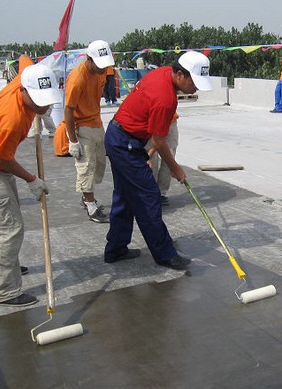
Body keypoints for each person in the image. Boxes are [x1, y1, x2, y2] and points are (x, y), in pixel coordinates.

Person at [0, 62, 62, 307]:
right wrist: (32, 179)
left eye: (47, 100)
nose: (44, 106)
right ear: (24, 91)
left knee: (1, 222)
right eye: (38, 100)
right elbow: (3, 159)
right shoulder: (12, 119)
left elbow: (26, 59)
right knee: (10, 229)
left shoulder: (24, 77)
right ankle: (5, 290)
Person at [104, 51, 212, 270]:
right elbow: (160, 141)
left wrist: (146, 154)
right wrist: (176, 169)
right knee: (148, 196)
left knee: (125, 196)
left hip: (120, 137)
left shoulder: (163, 73)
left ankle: (115, 248)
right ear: (180, 74)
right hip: (125, 143)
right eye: (194, 82)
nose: (197, 88)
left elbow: (154, 135)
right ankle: (165, 254)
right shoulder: (166, 98)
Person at [60, 40, 115, 223]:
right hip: (81, 125)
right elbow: (68, 110)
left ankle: (86, 196)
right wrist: (73, 140)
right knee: (87, 166)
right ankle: (91, 207)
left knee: (100, 164)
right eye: (99, 65)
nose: (102, 69)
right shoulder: (77, 78)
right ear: (88, 59)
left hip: (96, 123)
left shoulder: (102, 70)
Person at [146, 113, 179, 206]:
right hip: (149, 122)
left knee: (170, 156)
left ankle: (161, 193)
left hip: (170, 121)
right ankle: (150, 192)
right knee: (151, 159)